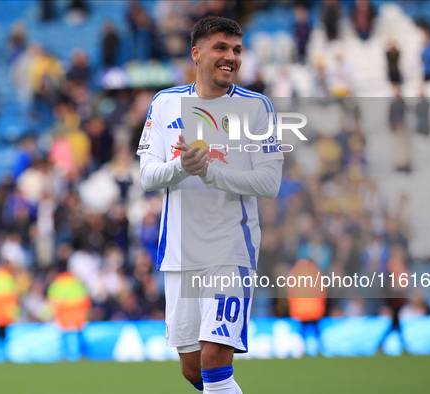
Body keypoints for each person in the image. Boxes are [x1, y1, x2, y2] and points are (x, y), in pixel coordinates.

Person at [136, 16, 283, 394]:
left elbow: (270, 182)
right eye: (221, 48)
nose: (231, 57)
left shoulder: (257, 108)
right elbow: (148, 175)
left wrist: (212, 173)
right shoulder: (165, 103)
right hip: (179, 254)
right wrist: (181, 167)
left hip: (229, 249)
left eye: (236, 50)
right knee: (192, 370)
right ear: (196, 53)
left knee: (215, 360)